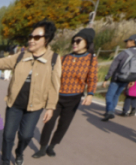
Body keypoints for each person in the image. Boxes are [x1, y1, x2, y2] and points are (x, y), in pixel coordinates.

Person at [0, 19, 61, 165]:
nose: (31, 40)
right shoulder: (21, 56)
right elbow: (0, 63)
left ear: (47, 39)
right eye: (30, 36)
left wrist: (51, 107)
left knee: (26, 135)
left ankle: (19, 152)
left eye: (37, 37)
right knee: (8, 135)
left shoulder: (53, 59)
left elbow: (54, 84)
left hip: (35, 106)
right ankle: (5, 161)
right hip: (15, 104)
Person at [34, 28, 97, 158]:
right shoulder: (64, 58)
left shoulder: (91, 60)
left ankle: (52, 146)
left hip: (74, 98)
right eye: (73, 41)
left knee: (64, 124)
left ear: (87, 43)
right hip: (57, 96)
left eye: (78, 41)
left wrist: (90, 94)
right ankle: (42, 147)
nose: (74, 43)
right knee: (49, 122)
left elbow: (92, 78)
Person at [101, 34, 136, 121]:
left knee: (110, 95)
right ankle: (111, 111)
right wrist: (134, 79)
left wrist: (106, 78)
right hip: (129, 78)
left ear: (133, 41)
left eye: (127, 41)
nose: (126, 43)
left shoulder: (124, 53)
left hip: (118, 77)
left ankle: (110, 111)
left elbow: (113, 66)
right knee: (117, 94)